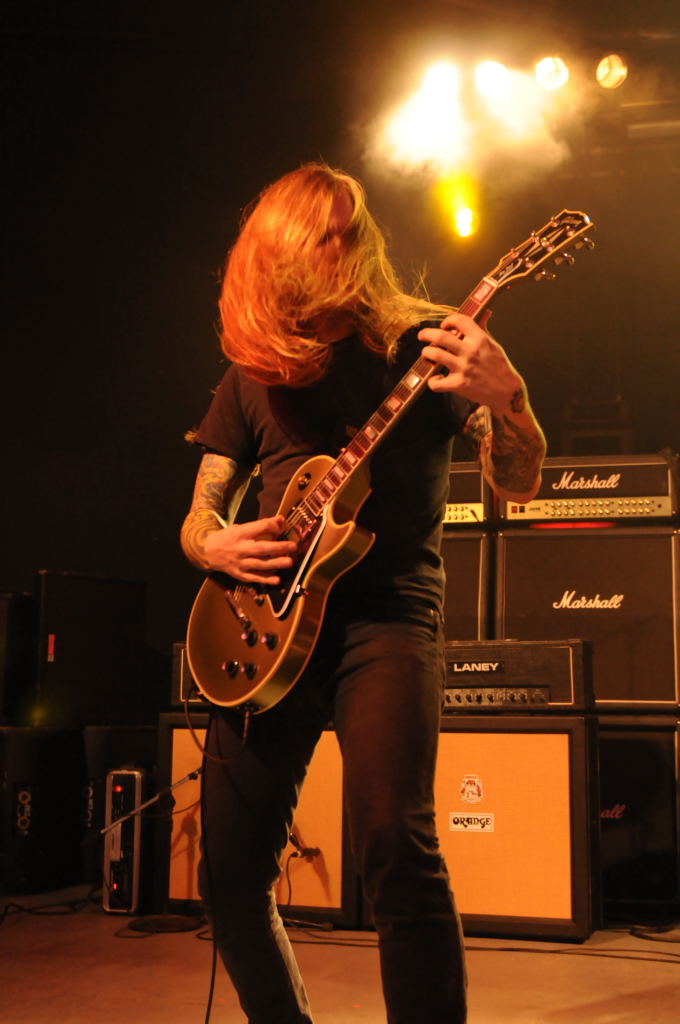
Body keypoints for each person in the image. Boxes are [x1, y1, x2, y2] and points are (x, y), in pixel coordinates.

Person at [180, 162, 546, 1024]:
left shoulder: (425, 345)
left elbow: (519, 481)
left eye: (350, 232)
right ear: (276, 254)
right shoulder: (256, 368)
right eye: (320, 238)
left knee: (397, 852)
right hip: (265, 628)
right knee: (228, 879)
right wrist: (212, 543)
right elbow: (200, 512)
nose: (340, 249)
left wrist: (512, 399)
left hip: (386, 623)